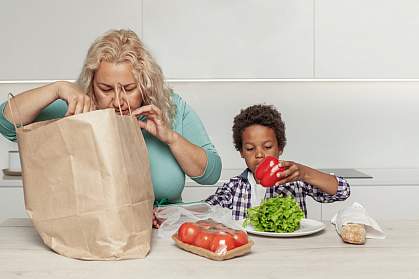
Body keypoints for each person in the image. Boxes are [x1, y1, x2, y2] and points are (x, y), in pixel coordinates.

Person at [0, 29, 222, 225]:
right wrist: (57, 89)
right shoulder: (78, 106)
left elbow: (210, 174)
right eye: (105, 89)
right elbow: (7, 124)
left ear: (146, 85)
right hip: (97, 238)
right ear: (91, 85)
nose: (117, 100)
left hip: (165, 236)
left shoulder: (170, 107)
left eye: (129, 88)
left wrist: (171, 138)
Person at [206, 104, 350, 220]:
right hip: (247, 254)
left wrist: (305, 174)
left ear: (280, 148)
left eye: (267, 147)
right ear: (241, 152)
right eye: (250, 148)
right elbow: (207, 208)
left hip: (288, 253)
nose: (259, 154)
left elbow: (342, 191)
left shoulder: (295, 181)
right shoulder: (234, 187)